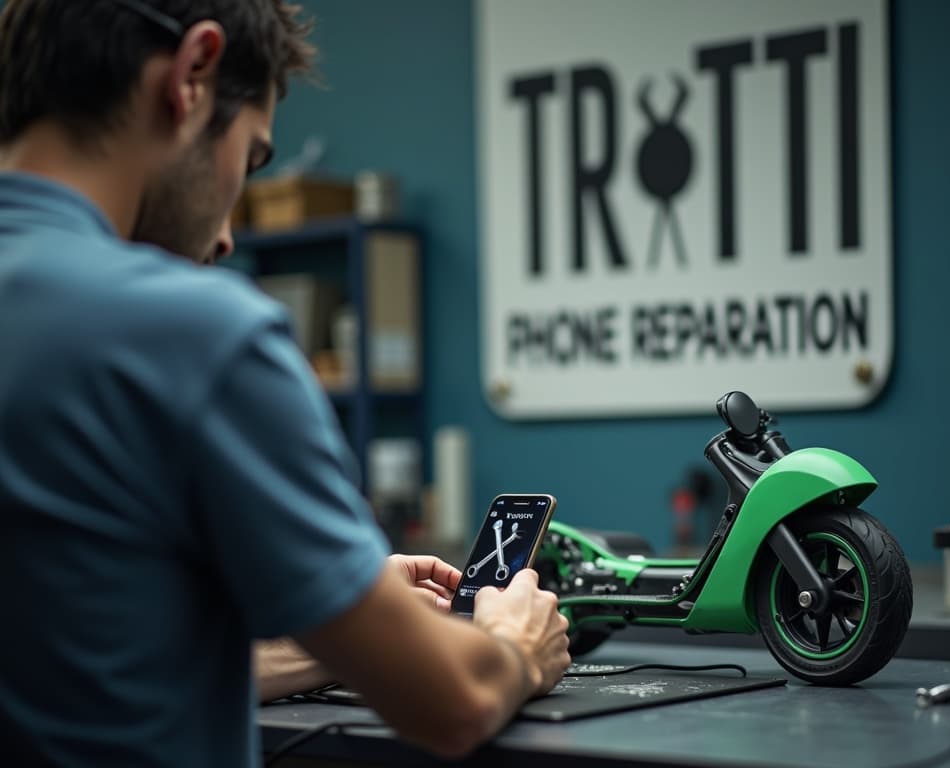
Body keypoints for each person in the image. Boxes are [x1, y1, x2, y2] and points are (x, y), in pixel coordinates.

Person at [0, 1, 571, 766]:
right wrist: (514, 644)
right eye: (254, 155)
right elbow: (454, 702)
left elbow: (81, 657)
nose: (229, 231)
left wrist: (336, 626)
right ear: (192, 73)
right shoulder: (195, 332)